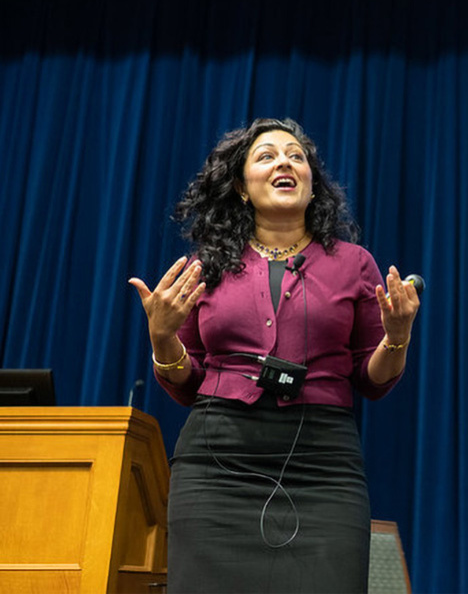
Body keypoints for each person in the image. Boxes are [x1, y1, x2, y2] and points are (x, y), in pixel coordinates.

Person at [128, 118, 420, 593]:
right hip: (217, 465)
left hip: (323, 467)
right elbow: (186, 381)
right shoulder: (207, 266)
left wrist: (397, 336)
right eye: (266, 156)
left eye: (296, 156)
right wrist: (163, 340)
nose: (284, 161)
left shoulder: (354, 263)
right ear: (242, 188)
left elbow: (373, 379)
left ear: (311, 185)